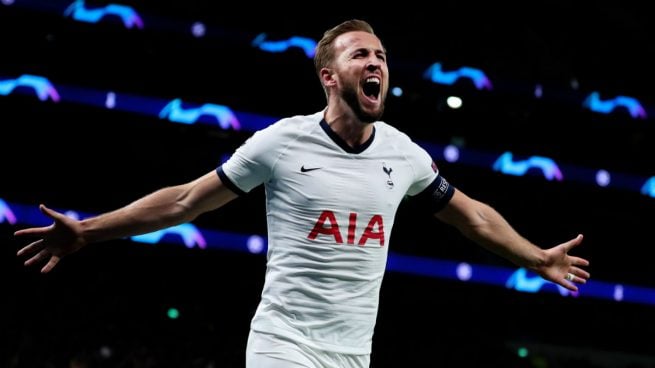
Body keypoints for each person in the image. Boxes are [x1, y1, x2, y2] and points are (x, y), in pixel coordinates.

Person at [15, 19, 590, 368]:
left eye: (383, 56)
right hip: (282, 343)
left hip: (353, 353)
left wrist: (536, 257)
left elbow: (473, 218)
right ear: (329, 76)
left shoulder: (404, 153)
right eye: (361, 54)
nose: (377, 63)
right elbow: (187, 201)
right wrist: (89, 230)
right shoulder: (281, 143)